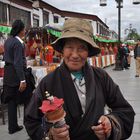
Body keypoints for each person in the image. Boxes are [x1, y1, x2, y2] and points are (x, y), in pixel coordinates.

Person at [24, 18, 135, 140]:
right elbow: (31, 121)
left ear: (88, 51)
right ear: (62, 50)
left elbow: (124, 110)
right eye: (69, 47)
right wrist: (50, 135)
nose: (75, 55)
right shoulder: (48, 82)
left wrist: (110, 124)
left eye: (81, 48)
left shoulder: (101, 77)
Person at [3, 19, 35, 134]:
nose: (25, 31)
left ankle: (12, 127)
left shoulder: (8, 41)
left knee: (11, 101)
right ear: (20, 30)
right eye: (24, 29)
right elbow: (18, 63)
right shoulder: (18, 43)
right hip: (16, 74)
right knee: (28, 98)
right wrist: (22, 80)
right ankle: (29, 124)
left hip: (8, 73)